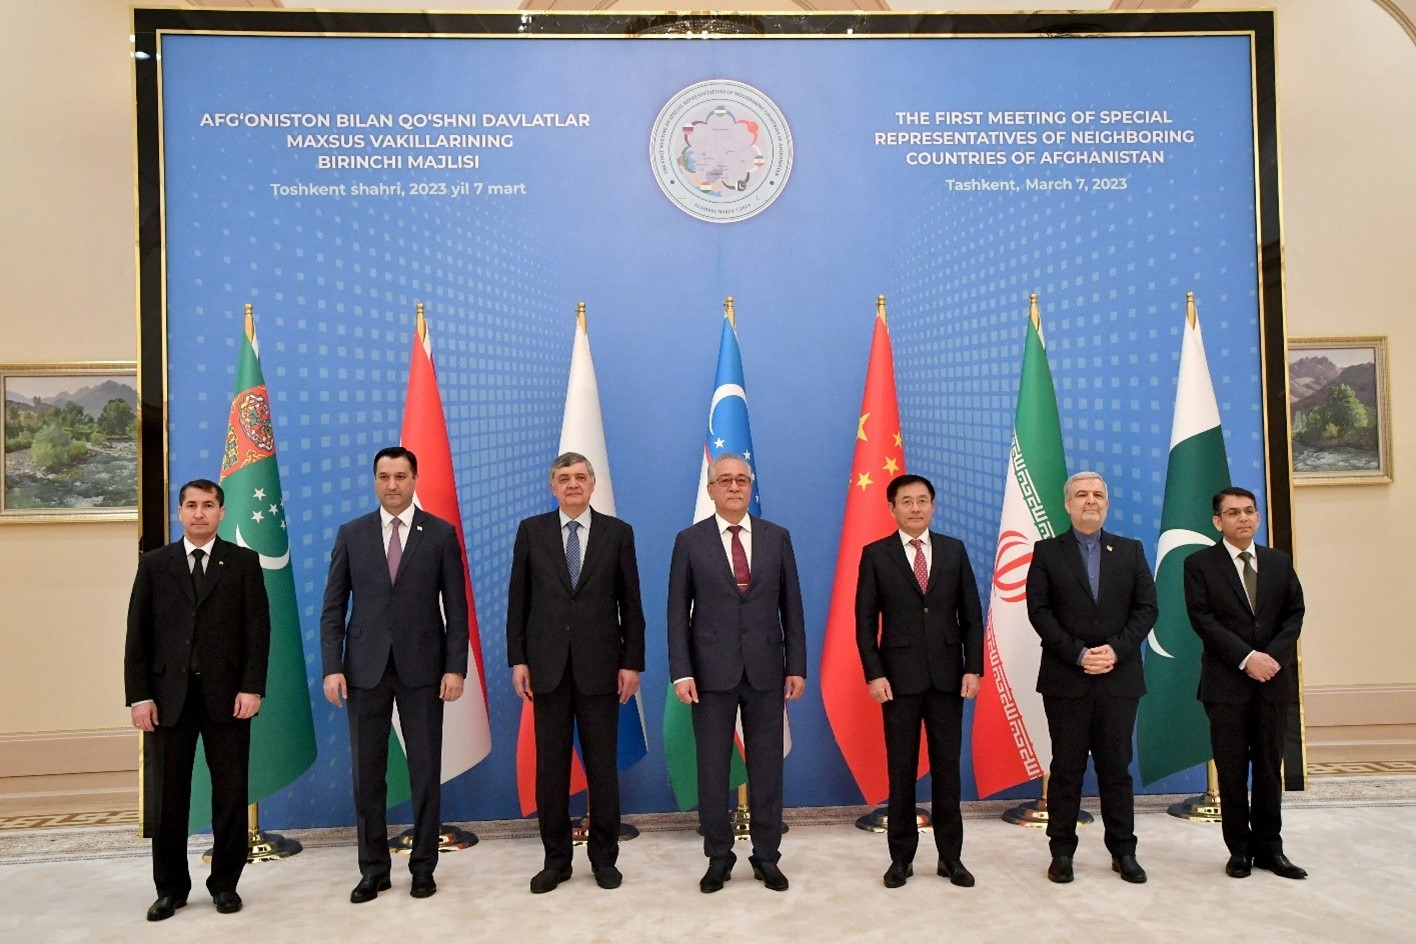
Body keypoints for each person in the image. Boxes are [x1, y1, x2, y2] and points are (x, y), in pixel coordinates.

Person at [320, 446, 468, 903]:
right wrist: (332, 668)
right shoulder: (353, 533)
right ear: (374, 480)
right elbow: (333, 609)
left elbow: (457, 611)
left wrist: (455, 667)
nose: (392, 485)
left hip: (424, 668)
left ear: (414, 479)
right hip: (363, 669)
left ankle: (424, 866)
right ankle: (373, 869)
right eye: (383, 476)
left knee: (425, 771)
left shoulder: (440, 534)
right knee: (369, 775)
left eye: (401, 476)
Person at [124, 479, 270, 921]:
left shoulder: (243, 563)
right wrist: (139, 697)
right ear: (179, 512)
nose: (199, 513)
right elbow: (138, 636)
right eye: (191, 505)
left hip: (228, 698)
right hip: (168, 700)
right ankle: (170, 889)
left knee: (229, 794)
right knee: (169, 798)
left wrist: (252, 687)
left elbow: (257, 632)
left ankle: (225, 884)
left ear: (222, 512)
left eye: (208, 505)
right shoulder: (155, 564)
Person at [506, 452, 646, 894]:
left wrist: (632, 663)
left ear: (592, 484)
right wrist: (519, 659)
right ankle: (556, 860)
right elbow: (518, 603)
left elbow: (632, 606)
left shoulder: (617, 534)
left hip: (602, 669)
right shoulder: (531, 532)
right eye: (563, 478)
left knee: (603, 768)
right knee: (551, 771)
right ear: (552, 486)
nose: (572, 485)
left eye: (580, 478)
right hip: (546, 670)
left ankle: (604, 859)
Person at [668, 454, 807, 893]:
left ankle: (767, 856)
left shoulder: (776, 537)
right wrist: (680, 672)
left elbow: (793, 609)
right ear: (711, 489)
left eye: (741, 480)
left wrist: (797, 666)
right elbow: (677, 612)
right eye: (724, 480)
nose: (733, 487)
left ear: (751, 487)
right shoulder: (690, 541)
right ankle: (718, 857)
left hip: (767, 670)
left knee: (768, 769)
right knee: (712, 769)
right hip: (709, 674)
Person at [1026, 471, 1157, 885]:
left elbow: (1146, 609)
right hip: (1067, 677)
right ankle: (1061, 852)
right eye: (1081, 494)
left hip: (1119, 678)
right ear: (1067, 504)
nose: (1090, 501)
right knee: (1065, 769)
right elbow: (1039, 611)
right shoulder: (1047, 551)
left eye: (1098, 494)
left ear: (1107, 504)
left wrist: (1116, 650)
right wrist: (1079, 654)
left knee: (1116, 769)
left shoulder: (1131, 550)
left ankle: (1124, 851)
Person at [855, 473, 983, 889]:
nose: (915, 508)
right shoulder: (875, 554)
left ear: (933, 505)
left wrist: (973, 667)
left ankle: (951, 858)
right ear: (891, 508)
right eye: (906, 501)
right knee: (902, 771)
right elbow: (863, 623)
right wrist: (874, 673)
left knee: (949, 771)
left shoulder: (953, 550)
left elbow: (972, 616)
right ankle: (901, 859)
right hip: (898, 681)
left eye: (922, 500)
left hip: (949, 679)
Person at [1184, 486, 1306, 880]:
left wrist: (1270, 658)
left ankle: (1272, 848)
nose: (1244, 518)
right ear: (1218, 521)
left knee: (1270, 768)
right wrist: (1247, 658)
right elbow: (1203, 619)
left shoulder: (1278, 561)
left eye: (1249, 511)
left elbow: (1294, 613)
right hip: (1226, 685)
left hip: (1272, 682)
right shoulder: (1199, 564)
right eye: (1233, 513)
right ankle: (1239, 851)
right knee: (1232, 770)